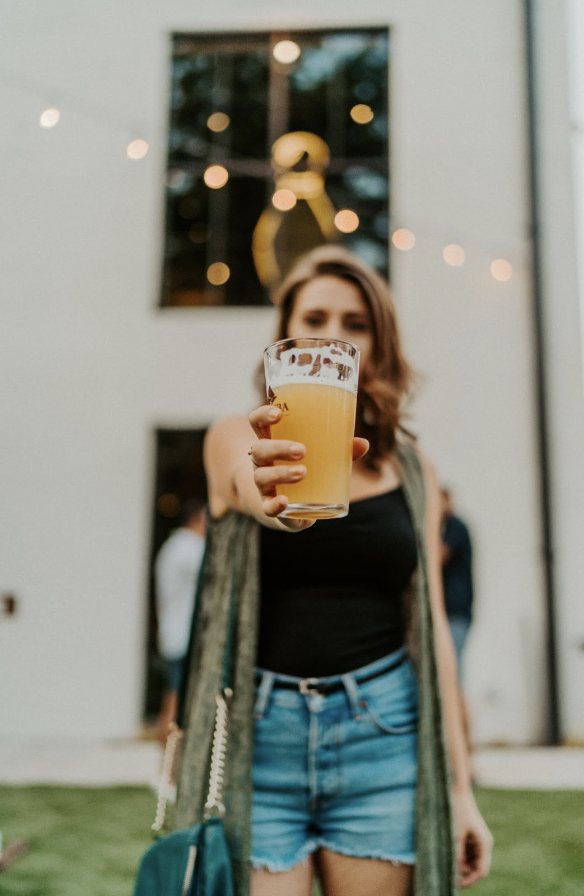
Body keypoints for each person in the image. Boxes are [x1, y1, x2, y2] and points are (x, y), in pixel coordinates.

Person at [174, 245, 493, 896]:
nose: (331, 337)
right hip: (260, 743)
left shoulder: (411, 470)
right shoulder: (237, 437)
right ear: (284, 338)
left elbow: (432, 629)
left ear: (379, 344)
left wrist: (460, 791)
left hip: (384, 735)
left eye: (355, 324)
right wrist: (277, 501)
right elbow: (246, 485)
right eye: (314, 319)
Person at [154, 499, 207, 745]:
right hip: (184, 637)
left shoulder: (172, 546)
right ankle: (168, 768)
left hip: (173, 635)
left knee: (171, 700)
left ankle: (165, 767)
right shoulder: (190, 548)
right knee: (175, 704)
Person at [440, 488, 474, 682]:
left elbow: (439, 556)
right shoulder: (446, 528)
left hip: (455, 613)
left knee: (453, 676)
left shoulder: (455, 527)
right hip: (450, 614)